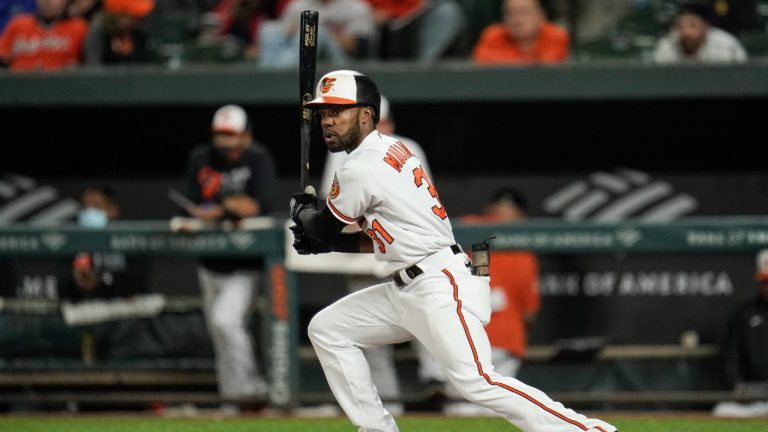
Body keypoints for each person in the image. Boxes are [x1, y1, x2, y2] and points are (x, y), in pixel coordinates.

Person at [288, 69, 617, 432]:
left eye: (338, 111)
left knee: (478, 381)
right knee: (328, 329)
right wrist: (317, 236)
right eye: (324, 113)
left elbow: (323, 229)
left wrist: (305, 213)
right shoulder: (392, 149)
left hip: (438, 285)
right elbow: (366, 237)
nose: (328, 120)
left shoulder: (361, 167)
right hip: (406, 285)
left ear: (366, 114)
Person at [318, 94, 443, 415]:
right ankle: (388, 404)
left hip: (404, 253)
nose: (381, 129)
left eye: (385, 123)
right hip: (369, 252)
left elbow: (420, 207)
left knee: (431, 328)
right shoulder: (345, 154)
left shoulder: (406, 147)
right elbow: (334, 214)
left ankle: (437, 385)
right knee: (363, 339)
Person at [179, 104, 277, 414]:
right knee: (220, 336)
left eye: (232, 135)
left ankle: (251, 390)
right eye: (221, 135)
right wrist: (210, 210)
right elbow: (189, 204)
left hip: (245, 264)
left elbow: (257, 205)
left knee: (227, 321)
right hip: (210, 262)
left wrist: (219, 208)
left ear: (246, 136)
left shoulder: (258, 158)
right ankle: (231, 406)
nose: (226, 142)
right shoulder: (201, 157)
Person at [445, 187, 541, 416]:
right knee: (494, 410)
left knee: (461, 409)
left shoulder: (473, 235)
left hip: (464, 336)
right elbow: (530, 315)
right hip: (496, 341)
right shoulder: (516, 250)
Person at [59, 185, 151, 303]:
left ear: (113, 211)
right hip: (85, 311)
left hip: (124, 312)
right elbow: (62, 289)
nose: (89, 212)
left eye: (96, 207)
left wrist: (100, 282)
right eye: (85, 207)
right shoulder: (71, 243)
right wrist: (79, 284)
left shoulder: (130, 241)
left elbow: (138, 285)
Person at [713, 248, 768, 417]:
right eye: (765, 283)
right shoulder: (745, 313)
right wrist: (736, 384)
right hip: (754, 393)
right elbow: (730, 354)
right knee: (722, 411)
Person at [257, 0, 374, 68]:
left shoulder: (356, 7)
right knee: (269, 29)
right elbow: (283, 33)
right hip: (297, 53)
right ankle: (269, 72)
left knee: (316, 34)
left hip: (340, 62)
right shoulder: (299, 5)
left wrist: (322, 34)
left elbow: (356, 46)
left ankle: (285, 72)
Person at [472, 0, 569, 65]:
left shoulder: (555, 35)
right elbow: (483, 60)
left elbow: (547, 67)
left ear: (541, 15)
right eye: (510, 13)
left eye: (524, 12)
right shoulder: (492, 36)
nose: (517, 20)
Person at [0, 0, 88, 71]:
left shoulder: (79, 28)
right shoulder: (18, 25)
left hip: (63, 87)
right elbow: (2, 58)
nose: (47, 1)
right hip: (18, 87)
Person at [366, 0, 466, 61]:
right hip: (368, 20)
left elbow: (417, 4)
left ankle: (422, 71)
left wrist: (391, 13)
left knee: (446, 12)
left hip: (411, 21)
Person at [652, 0, 747, 64]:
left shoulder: (727, 45)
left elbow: (743, 78)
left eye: (692, 25)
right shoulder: (667, 45)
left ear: (706, 26)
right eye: (681, 26)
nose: (686, 32)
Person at [83, 0, 155, 65]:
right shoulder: (98, 34)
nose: (136, 20)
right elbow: (94, 72)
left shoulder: (138, 34)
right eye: (132, 16)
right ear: (116, 15)